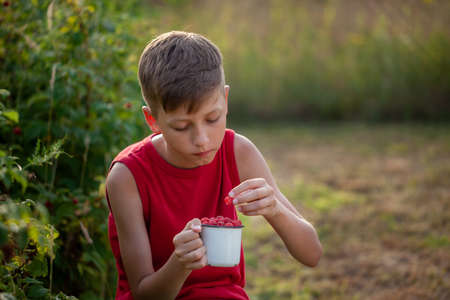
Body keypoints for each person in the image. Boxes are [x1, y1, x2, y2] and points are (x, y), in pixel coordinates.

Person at [105, 31, 322, 300]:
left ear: (226, 100)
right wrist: (180, 263)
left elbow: (312, 254)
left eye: (212, 118)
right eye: (182, 126)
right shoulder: (127, 176)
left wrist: (275, 209)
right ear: (153, 120)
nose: (202, 140)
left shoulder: (238, 152)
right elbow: (144, 293)